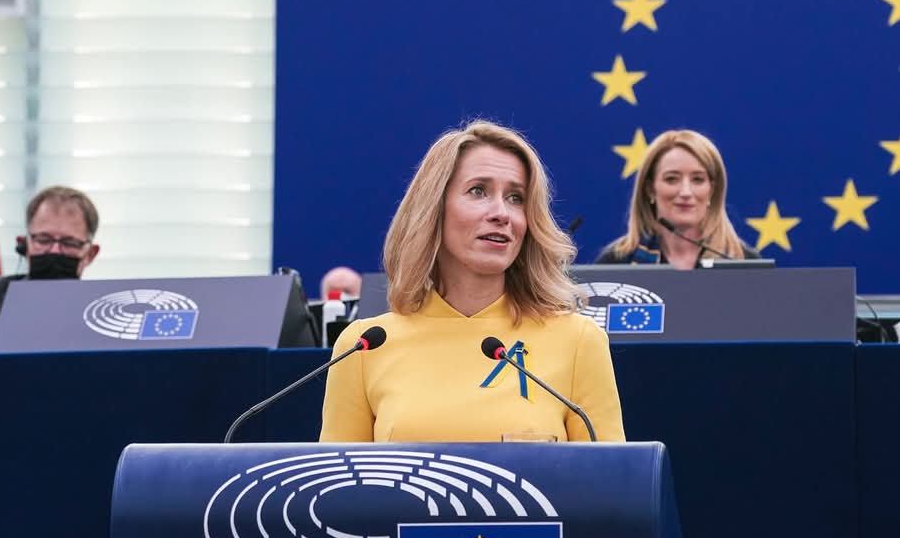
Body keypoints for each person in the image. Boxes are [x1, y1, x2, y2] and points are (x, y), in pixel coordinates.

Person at [320, 120, 625, 442]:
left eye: (516, 198)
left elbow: (610, 474)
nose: (501, 213)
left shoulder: (578, 340)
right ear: (434, 209)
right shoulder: (363, 346)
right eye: (478, 191)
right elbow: (339, 475)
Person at [596, 129, 760, 268]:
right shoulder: (616, 262)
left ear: (712, 190)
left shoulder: (743, 262)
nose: (686, 192)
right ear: (650, 189)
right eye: (672, 179)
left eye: (697, 180)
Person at [0, 185, 100, 351]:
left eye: (69, 243)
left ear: (90, 254)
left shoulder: (104, 310)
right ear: (23, 245)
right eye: (44, 240)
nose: (55, 250)